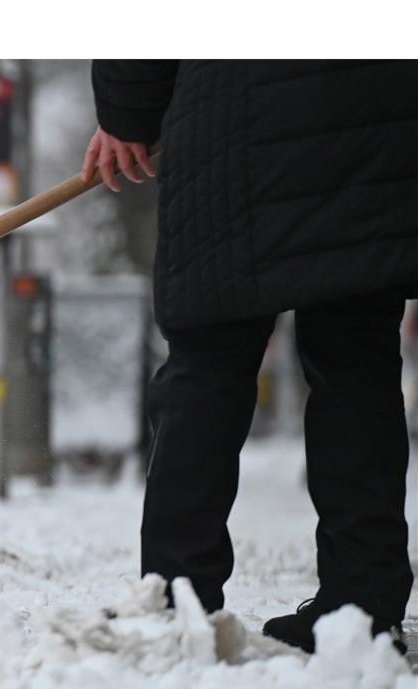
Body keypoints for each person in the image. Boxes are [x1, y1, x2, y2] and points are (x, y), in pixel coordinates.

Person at [83, 60, 418, 654]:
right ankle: (363, 607)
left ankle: (175, 597)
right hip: (378, 119)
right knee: (357, 362)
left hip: (234, 118)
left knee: (208, 358)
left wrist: (126, 112)